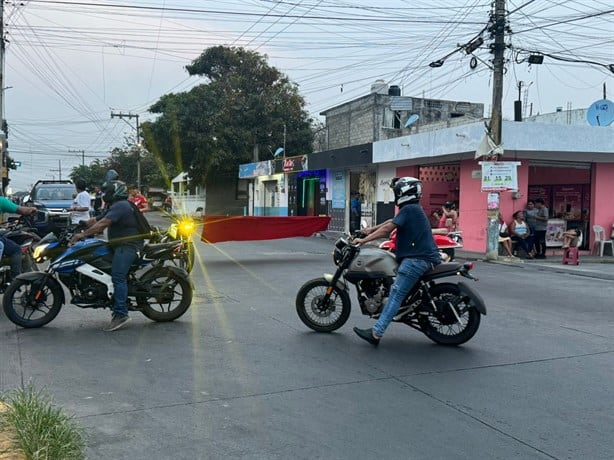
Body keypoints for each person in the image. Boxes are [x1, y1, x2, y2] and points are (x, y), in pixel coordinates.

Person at [352, 177, 441, 346]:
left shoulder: (410, 210)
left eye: (397, 192)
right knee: (396, 290)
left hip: (416, 260)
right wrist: (370, 229)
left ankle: (376, 333)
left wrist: (363, 241)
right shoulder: (412, 209)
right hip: (420, 257)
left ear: (404, 193)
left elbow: (387, 229)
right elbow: (390, 222)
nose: (395, 195)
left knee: (396, 293)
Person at [70, 174, 144, 332]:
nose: (103, 195)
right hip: (117, 244)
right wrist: (80, 225)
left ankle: (121, 313)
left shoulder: (122, 205)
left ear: (114, 192)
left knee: (118, 276)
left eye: (106, 192)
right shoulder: (114, 206)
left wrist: (82, 234)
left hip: (128, 245)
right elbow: (97, 219)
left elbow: (102, 224)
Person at [0, 197, 38, 277]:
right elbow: (22, 210)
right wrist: (33, 209)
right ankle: (15, 279)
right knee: (16, 249)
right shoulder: (1, 201)